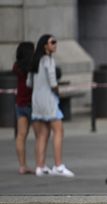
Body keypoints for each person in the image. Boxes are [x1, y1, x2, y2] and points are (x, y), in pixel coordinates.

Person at [27, 34, 74, 177]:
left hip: (36, 101)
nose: (55, 44)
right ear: (45, 46)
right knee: (59, 130)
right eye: (52, 42)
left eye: (55, 42)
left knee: (42, 134)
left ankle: (40, 167)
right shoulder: (48, 60)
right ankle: (58, 165)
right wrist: (57, 91)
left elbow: (28, 83)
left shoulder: (34, 62)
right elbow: (53, 83)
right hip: (49, 101)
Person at [13, 41, 35, 175]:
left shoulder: (17, 67)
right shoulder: (33, 67)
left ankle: (22, 165)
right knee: (41, 135)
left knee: (21, 135)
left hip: (20, 103)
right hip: (32, 103)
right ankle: (40, 164)